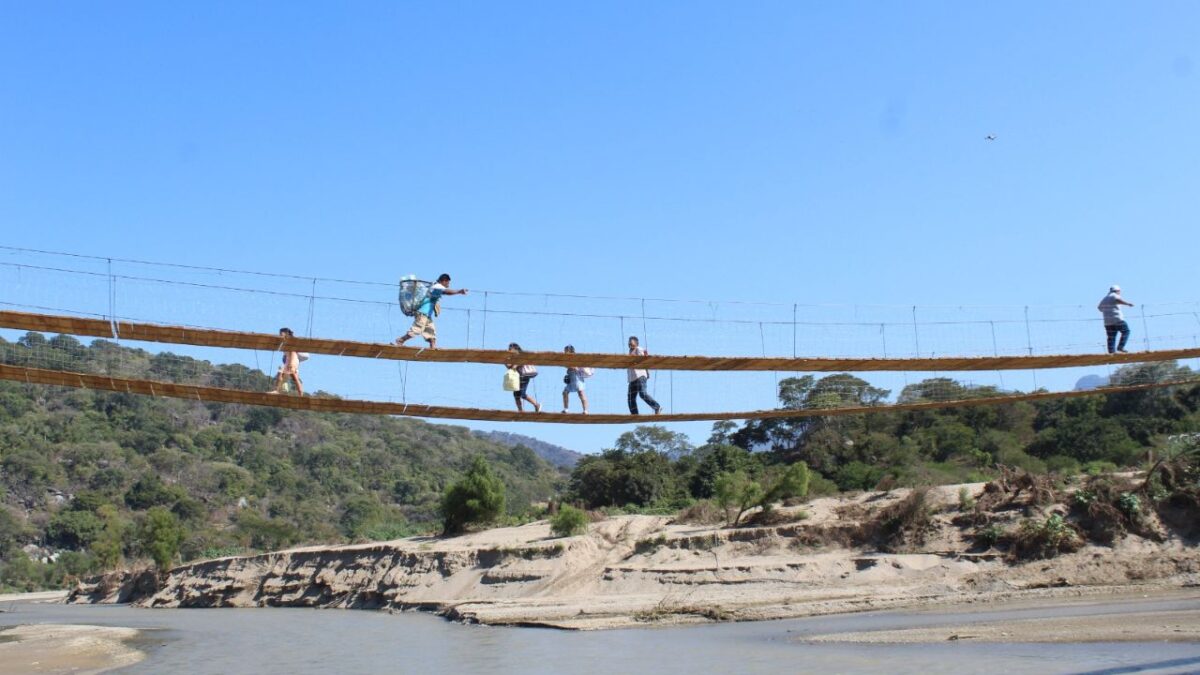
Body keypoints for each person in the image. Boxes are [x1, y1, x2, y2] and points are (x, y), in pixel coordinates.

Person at [396, 273, 468, 350]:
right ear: (444, 281)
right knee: (416, 330)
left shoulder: (435, 286)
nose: (448, 285)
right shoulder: (437, 286)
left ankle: (433, 347)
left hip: (427, 315)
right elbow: (446, 292)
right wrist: (459, 292)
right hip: (422, 313)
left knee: (431, 331)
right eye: (448, 283)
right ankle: (400, 340)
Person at [626, 336, 661, 415]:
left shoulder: (639, 349)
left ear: (636, 343)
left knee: (642, 394)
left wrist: (647, 371)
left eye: (631, 341)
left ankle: (656, 406)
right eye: (629, 342)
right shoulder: (629, 352)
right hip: (632, 379)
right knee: (631, 398)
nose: (629, 343)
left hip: (640, 376)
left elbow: (645, 361)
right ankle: (634, 414)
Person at [1098, 285, 1135, 354]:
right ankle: (1120, 347)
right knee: (1126, 331)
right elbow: (1117, 300)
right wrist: (1127, 304)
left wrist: (1107, 311)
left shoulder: (1105, 298)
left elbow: (1099, 308)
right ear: (1118, 291)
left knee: (1111, 336)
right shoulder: (1114, 295)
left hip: (1107, 321)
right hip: (1117, 319)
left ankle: (1111, 352)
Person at [506, 343, 541, 412]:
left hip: (523, 376)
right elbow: (509, 367)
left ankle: (536, 405)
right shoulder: (512, 357)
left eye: (511, 349)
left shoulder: (521, 355)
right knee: (517, 395)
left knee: (522, 394)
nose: (510, 350)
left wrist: (514, 365)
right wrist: (506, 361)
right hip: (518, 377)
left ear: (516, 349)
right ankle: (521, 410)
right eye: (509, 349)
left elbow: (517, 364)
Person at [270, 327, 304, 395]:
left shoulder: (289, 342)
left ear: (286, 333)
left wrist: (290, 363)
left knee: (282, 373)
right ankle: (300, 393)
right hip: (291, 359)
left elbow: (292, 352)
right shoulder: (286, 341)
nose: (280, 335)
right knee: (294, 376)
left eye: (281, 333)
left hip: (292, 359)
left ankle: (277, 390)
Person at [561, 345, 589, 414]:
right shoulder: (567, 360)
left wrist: (570, 366)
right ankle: (566, 409)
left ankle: (585, 410)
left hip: (577, 377)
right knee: (565, 392)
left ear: (570, 351)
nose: (564, 353)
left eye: (566, 351)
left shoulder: (575, 358)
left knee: (581, 393)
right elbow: (568, 367)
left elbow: (574, 367)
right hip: (571, 378)